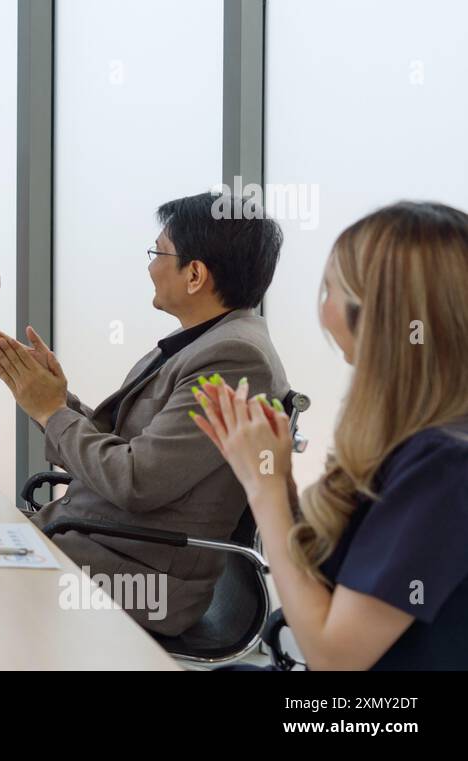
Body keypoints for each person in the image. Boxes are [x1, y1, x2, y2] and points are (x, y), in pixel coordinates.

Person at [0, 192, 286, 635]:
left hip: (141, 576)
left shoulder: (233, 359)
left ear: (195, 274)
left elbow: (136, 481)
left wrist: (50, 412)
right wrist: (55, 401)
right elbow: (118, 445)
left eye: (159, 252)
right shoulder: (202, 342)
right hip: (100, 544)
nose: (150, 266)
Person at [193, 201, 468, 669]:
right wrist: (277, 480)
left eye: (330, 291)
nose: (322, 310)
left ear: (376, 313)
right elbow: (335, 585)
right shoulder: (420, 445)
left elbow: (335, 657)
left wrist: (264, 491)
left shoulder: (444, 467)